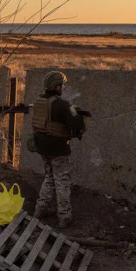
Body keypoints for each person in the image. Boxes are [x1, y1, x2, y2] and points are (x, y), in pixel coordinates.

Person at [31, 71, 86, 229]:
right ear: (56, 86)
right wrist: (76, 114)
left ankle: (40, 209)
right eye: (61, 85)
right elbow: (77, 125)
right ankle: (64, 215)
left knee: (49, 177)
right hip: (58, 148)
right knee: (62, 181)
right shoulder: (62, 104)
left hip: (42, 146)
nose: (62, 87)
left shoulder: (39, 102)